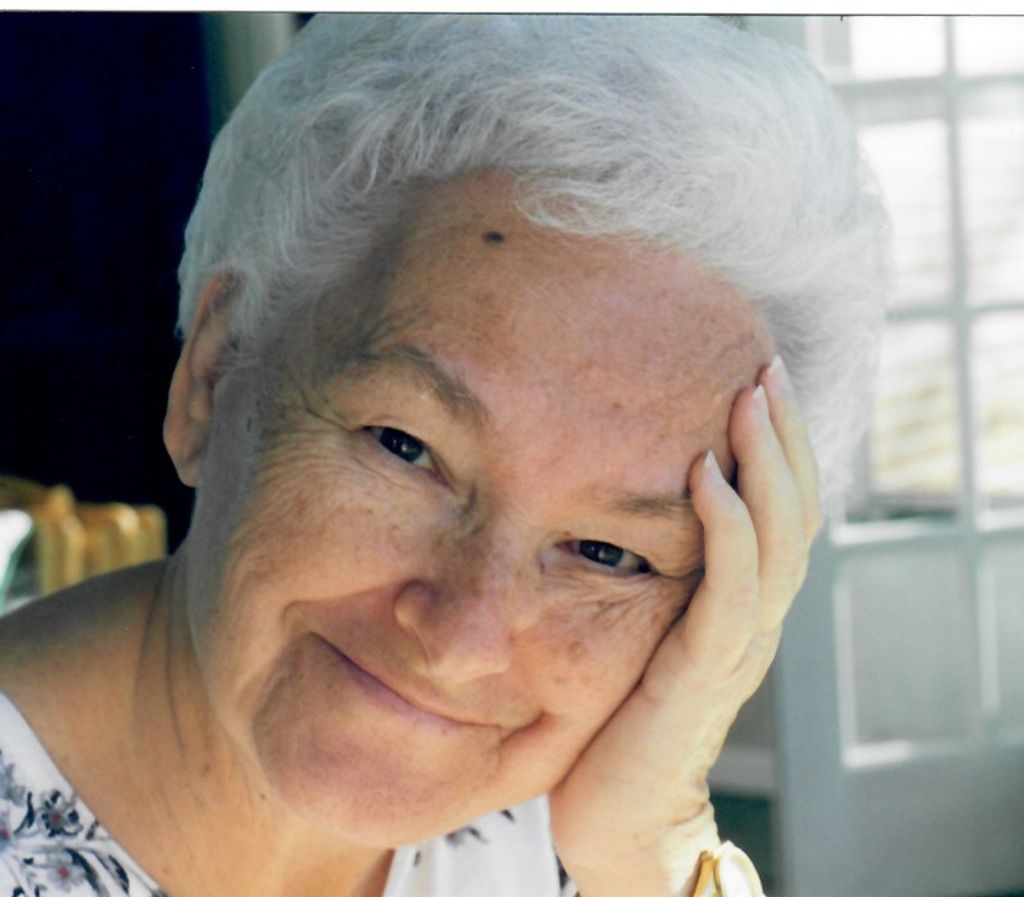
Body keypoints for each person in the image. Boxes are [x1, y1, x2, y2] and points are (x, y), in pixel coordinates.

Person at [0, 14, 889, 897]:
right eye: (406, 448)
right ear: (214, 370)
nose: (462, 639)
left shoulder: (590, 840)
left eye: (607, 552)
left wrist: (656, 849)